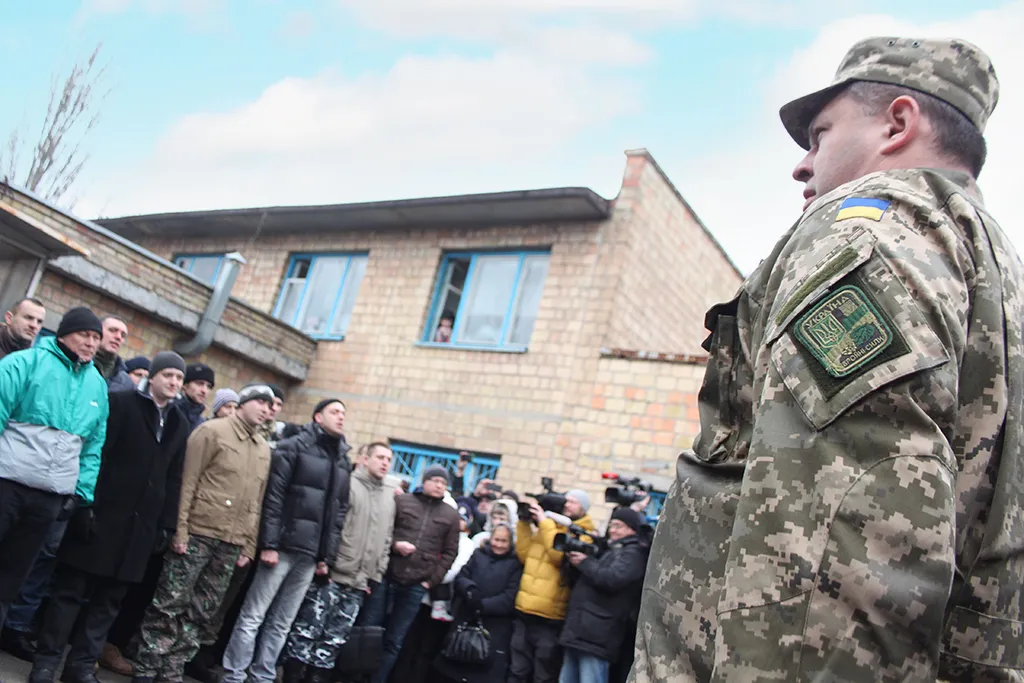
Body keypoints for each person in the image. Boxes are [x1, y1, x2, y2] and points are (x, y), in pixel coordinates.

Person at [630, 37, 1020, 683]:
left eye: (819, 134)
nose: (802, 164)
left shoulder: (867, 237)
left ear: (898, 123)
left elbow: (834, 539)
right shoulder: (992, 271)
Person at [29, 352, 191, 683]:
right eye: (169, 375)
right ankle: (46, 663)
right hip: (100, 518)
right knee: (69, 594)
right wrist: (85, 506)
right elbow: (96, 454)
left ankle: (80, 666)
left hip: (139, 530)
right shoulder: (121, 403)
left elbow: (174, 477)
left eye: (179, 378)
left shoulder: (179, 423)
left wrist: (165, 524)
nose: (174, 383)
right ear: (154, 377)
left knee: (108, 603)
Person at [130, 384, 275, 683]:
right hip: (198, 532)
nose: (264, 409)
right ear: (242, 403)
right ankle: (147, 667)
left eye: (268, 405)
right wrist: (180, 529)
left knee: (202, 611)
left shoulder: (262, 448)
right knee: (170, 602)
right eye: (259, 402)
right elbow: (187, 482)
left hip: (230, 543)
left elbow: (256, 502)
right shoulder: (212, 432)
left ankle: (171, 670)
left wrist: (248, 545)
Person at [221, 398, 352, 683]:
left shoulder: (342, 459)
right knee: (253, 615)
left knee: (282, 622)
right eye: (335, 412)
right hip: (281, 548)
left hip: (310, 555)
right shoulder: (294, 447)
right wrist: (269, 543)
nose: (341, 417)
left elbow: (338, 512)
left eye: (344, 413)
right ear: (318, 417)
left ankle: (262, 676)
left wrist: (325, 558)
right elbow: (274, 497)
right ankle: (234, 674)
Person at [0, 307, 108, 630]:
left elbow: (92, 446)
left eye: (96, 338)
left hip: (49, 498)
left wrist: (81, 493)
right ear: (63, 334)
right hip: (7, 483)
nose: (91, 343)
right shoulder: (24, 363)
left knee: (11, 578)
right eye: (85, 335)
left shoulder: (98, 386)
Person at [282, 441, 396, 683]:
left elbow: (386, 538)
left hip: (360, 581)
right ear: (365, 459)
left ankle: (316, 677)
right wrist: (326, 560)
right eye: (380, 457)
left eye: (389, 459)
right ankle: (292, 676)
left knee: (335, 637)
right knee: (308, 628)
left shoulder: (389, 495)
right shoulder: (348, 484)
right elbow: (331, 525)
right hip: (334, 573)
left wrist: (376, 573)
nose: (385, 463)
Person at [360, 465, 461, 683]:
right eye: (435, 480)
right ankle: (356, 677)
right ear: (423, 481)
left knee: (395, 639)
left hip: (417, 584)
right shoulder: (403, 502)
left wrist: (431, 581)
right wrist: (396, 545)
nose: (439, 485)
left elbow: (451, 551)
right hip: (387, 574)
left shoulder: (450, 515)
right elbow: (384, 532)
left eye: (443, 483)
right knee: (369, 630)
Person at [510, 490, 596, 683]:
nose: (567, 504)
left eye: (573, 502)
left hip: (549, 618)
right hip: (525, 611)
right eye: (566, 500)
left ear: (583, 508)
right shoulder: (550, 526)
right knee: (517, 670)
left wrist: (544, 522)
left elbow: (558, 557)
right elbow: (525, 555)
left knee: (543, 675)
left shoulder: (584, 533)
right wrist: (524, 523)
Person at [558, 508, 649, 683]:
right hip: (582, 629)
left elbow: (612, 579)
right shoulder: (612, 549)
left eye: (618, 526)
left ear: (632, 529)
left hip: (598, 634)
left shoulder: (634, 554)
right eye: (612, 525)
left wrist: (585, 562)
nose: (612, 530)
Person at [433, 523, 523, 683]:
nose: (499, 545)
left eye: (504, 541)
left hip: (495, 627)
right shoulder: (478, 554)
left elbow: (510, 597)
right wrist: (470, 590)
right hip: (466, 616)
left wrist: (484, 605)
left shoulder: (515, 564)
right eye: (496, 539)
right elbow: (461, 577)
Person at [93, 316, 133, 392]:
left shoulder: (126, 383)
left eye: (123, 335)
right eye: (112, 330)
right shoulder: (77, 365)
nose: (118, 337)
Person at [174, 362, 215, 431]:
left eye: (209, 387)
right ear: (185, 385)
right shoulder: (169, 411)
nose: (204, 391)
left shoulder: (202, 424)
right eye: (199, 383)